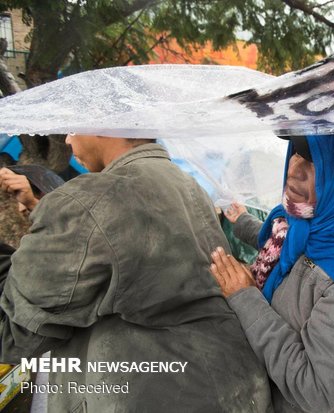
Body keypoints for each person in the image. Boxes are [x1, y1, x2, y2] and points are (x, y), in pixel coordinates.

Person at [0, 134, 272, 412]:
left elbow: (14, 333)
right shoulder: (184, 182)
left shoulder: (91, 199)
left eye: (73, 128)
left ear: (101, 123)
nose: (68, 140)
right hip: (230, 386)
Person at [210, 133, 334, 412]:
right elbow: (285, 247)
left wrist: (245, 298)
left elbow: (314, 389)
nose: (294, 169)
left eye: (316, 162)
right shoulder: (310, 223)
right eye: (296, 152)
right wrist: (243, 223)